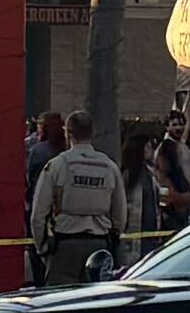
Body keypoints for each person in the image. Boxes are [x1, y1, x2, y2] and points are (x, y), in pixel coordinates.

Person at [28, 116, 122, 285]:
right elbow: (120, 213)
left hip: (65, 248)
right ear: (92, 133)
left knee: (61, 303)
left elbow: (38, 215)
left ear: (68, 133)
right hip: (99, 245)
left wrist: (42, 248)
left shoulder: (57, 166)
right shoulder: (109, 167)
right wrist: (113, 238)